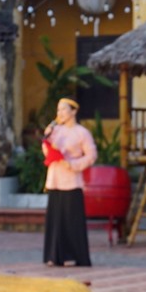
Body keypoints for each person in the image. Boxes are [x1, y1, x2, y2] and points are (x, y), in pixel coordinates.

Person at [42, 98, 97, 267]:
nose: (60, 113)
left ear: (73, 111)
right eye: (58, 110)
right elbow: (46, 150)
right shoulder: (55, 130)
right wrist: (48, 139)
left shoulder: (82, 133)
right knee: (55, 219)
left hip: (72, 180)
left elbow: (91, 155)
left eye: (64, 110)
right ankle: (54, 255)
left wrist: (74, 164)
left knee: (71, 220)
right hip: (55, 178)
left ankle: (75, 255)